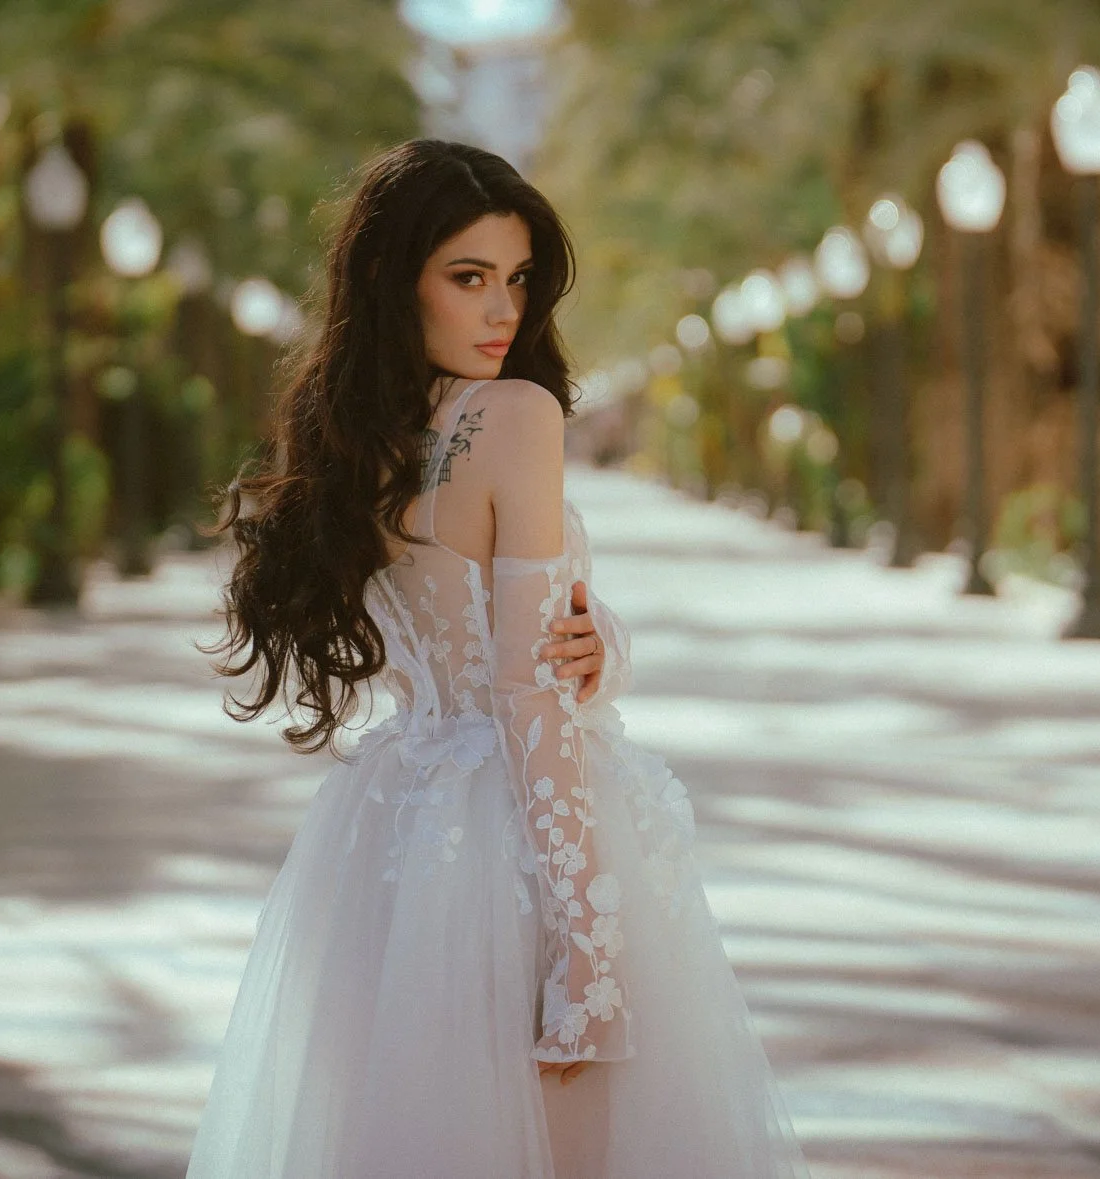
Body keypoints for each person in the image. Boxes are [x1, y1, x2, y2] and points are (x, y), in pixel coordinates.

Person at [188, 138, 810, 1178]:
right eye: (467, 278)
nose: (500, 312)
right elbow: (522, 689)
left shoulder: (360, 441)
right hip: (521, 837)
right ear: (399, 283)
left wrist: (592, 641)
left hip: (388, 840)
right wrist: (584, 942)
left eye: (516, 281)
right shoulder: (514, 416)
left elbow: (463, 642)